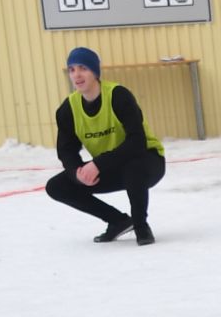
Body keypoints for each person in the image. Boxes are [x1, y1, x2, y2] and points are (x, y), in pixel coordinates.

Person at [45, 47, 165, 245]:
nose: (77, 74)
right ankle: (118, 221)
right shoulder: (68, 109)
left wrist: (98, 164)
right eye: (72, 69)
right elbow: (66, 151)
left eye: (83, 68)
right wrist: (77, 172)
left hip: (147, 161)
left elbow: (137, 142)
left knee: (134, 166)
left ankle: (141, 225)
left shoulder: (118, 96)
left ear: (95, 72)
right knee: (56, 186)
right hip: (110, 166)